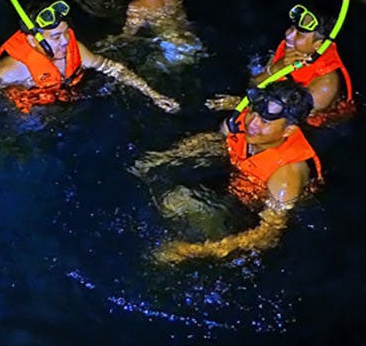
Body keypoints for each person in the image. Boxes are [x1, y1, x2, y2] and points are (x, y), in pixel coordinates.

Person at [132, 81, 321, 263]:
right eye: (254, 113)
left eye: (264, 121)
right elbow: (215, 141)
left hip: (249, 213)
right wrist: (163, 158)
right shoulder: (246, 123)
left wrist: (190, 251)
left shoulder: (286, 179)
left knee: (185, 207)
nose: (253, 123)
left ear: (288, 131)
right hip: (234, 182)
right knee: (173, 199)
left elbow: (267, 235)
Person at [0, 0, 180, 146]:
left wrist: (153, 94)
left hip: (66, 96)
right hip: (30, 109)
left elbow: (113, 68)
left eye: (66, 33)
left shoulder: (75, 50)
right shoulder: (14, 68)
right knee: (30, 126)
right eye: (56, 37)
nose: (66, 42)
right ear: (32, 40)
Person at [206, 2, 354, 127]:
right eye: (292, 28)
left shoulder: (325, 84)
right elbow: (254, 83)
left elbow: (287, 122)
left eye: (300, 34)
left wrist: (237, 103)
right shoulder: (292, 49)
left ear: (318, 44)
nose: (288, 35)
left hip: (314, 125)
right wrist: (278, 66)